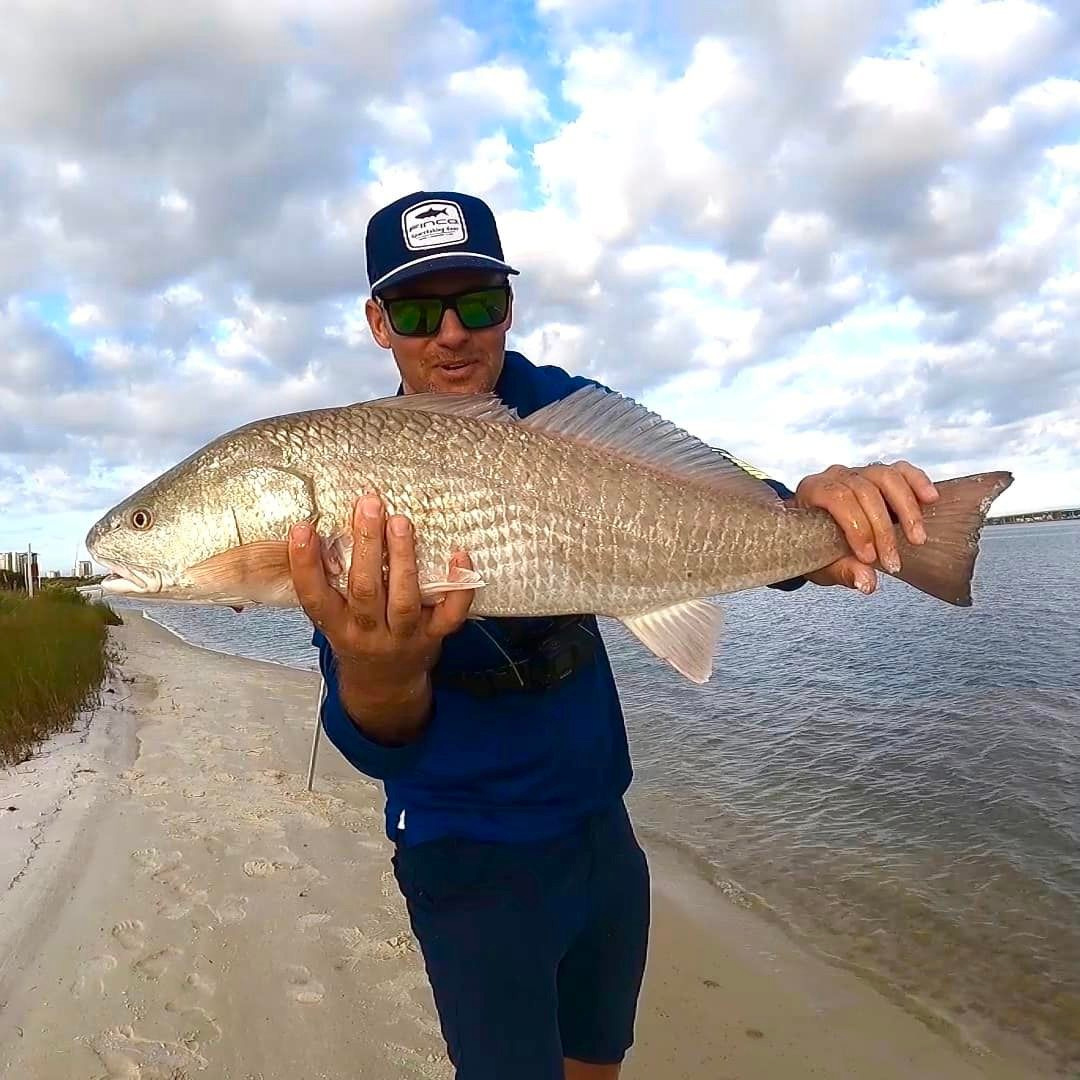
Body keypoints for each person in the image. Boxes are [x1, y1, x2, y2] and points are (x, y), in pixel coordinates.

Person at [286, 191, 938, 1080]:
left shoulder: (566, 406)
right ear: (377, 323)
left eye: (477, 302)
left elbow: (713, 490)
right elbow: (371, 734)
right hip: (466, 846)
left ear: (509, 306)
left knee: (598, 1061)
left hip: (602, 826)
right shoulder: (349, 464)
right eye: (416, 311)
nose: (452, 334)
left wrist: (818, 511)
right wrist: (380, 669)